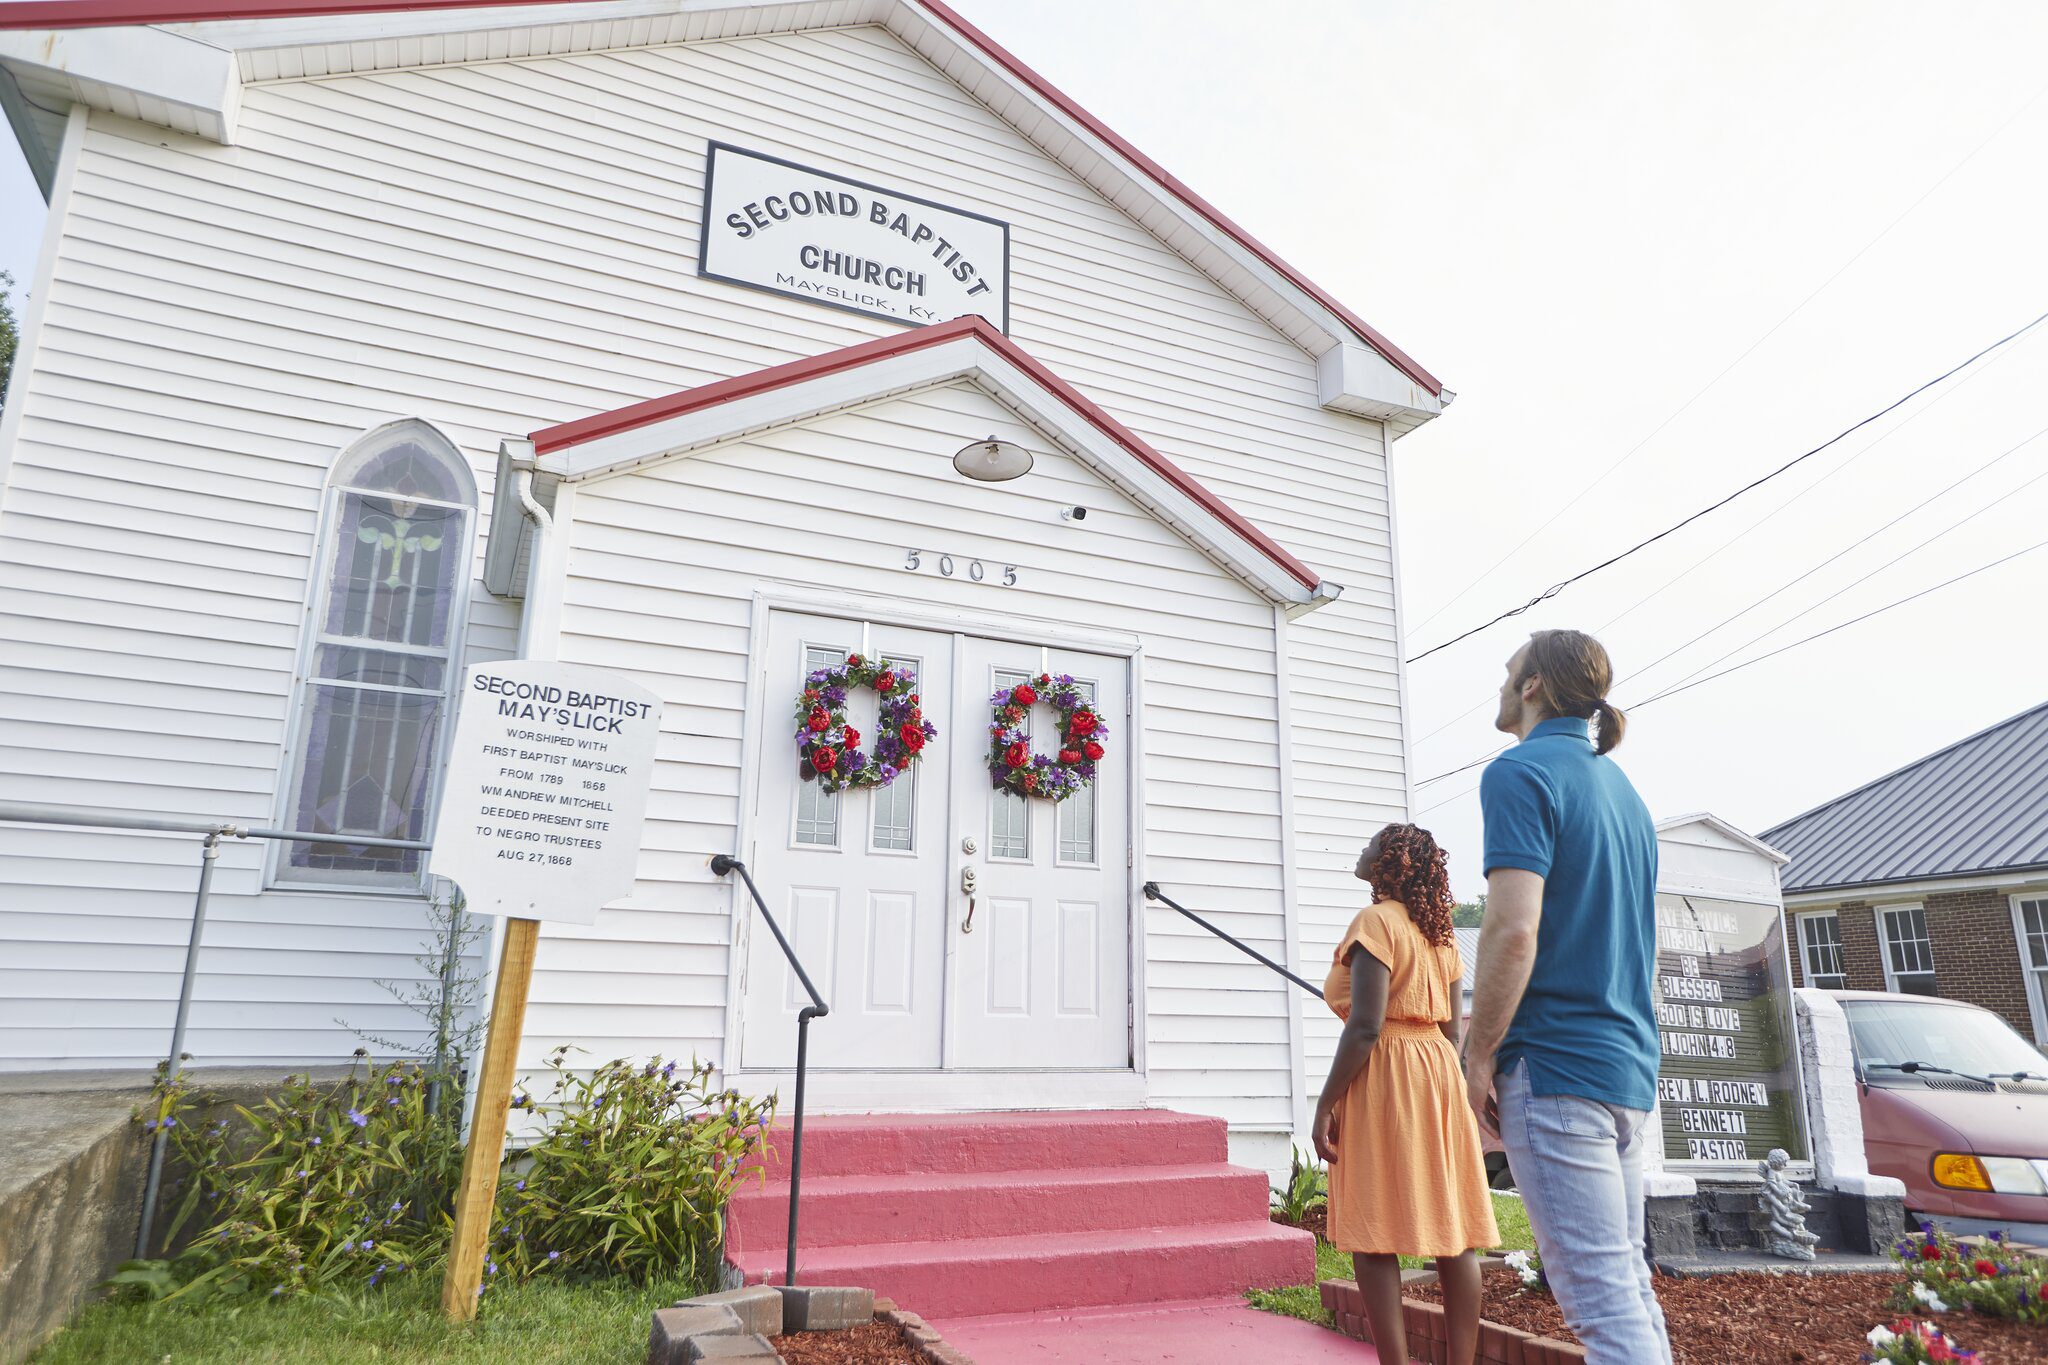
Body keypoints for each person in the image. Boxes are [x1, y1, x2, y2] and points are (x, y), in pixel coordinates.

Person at [1462, 629, 1670, 1364]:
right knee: (1626, 1288)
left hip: (1555, 1071)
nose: (1500, 677)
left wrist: (1477, 1053)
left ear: (1532, 686)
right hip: (1625, 1071)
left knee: (1602, 1303)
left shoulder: (1520, 772)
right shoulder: (1626, 794)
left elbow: (1513, 928)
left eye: (1509, 667)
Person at [1315, 823, 1498, 1365]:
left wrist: (1326, 1102)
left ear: (1388, 861)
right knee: (1452, 1226)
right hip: (1438, 1071)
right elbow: (1448, 1031)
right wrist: (1447, 1086)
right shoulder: (1439, 934)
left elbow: (1367, 1026)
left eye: (1370, 843)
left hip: (1386, 1073)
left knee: (1373, 1226)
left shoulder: (1375, 922)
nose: (1362, 848)